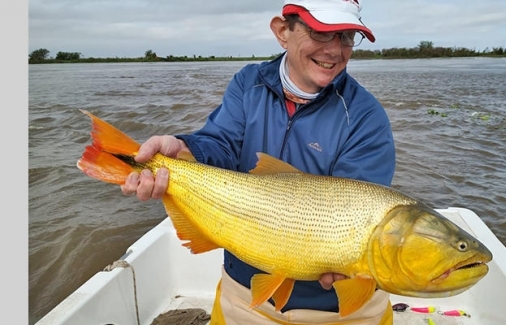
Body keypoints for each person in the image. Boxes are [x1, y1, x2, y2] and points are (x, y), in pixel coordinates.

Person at [121, 0, 396, 324]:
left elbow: (359, 212)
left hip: (337, 311)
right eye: (321, 33)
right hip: (246, 295)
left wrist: (353, 264)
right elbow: (221, 142)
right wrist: (183, 150)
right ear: (283, 31)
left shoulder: (367, 117)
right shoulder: (247, 83)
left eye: (347, 36)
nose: (335, 50)